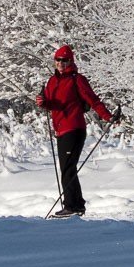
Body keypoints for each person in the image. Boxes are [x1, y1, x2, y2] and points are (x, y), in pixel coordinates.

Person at [35, 44, 117, 218]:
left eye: (64, 60)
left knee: (67, 169)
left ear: (71, 61)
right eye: (58, 60)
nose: (60, 63)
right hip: (60, 130)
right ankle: (76, 205)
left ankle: (72, 206)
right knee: (66, 168)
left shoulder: (77, 79)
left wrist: (107, 116)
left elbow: (93, 100)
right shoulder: (51, 81)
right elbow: (52, 103)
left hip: (74, 128)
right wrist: (43, 102)